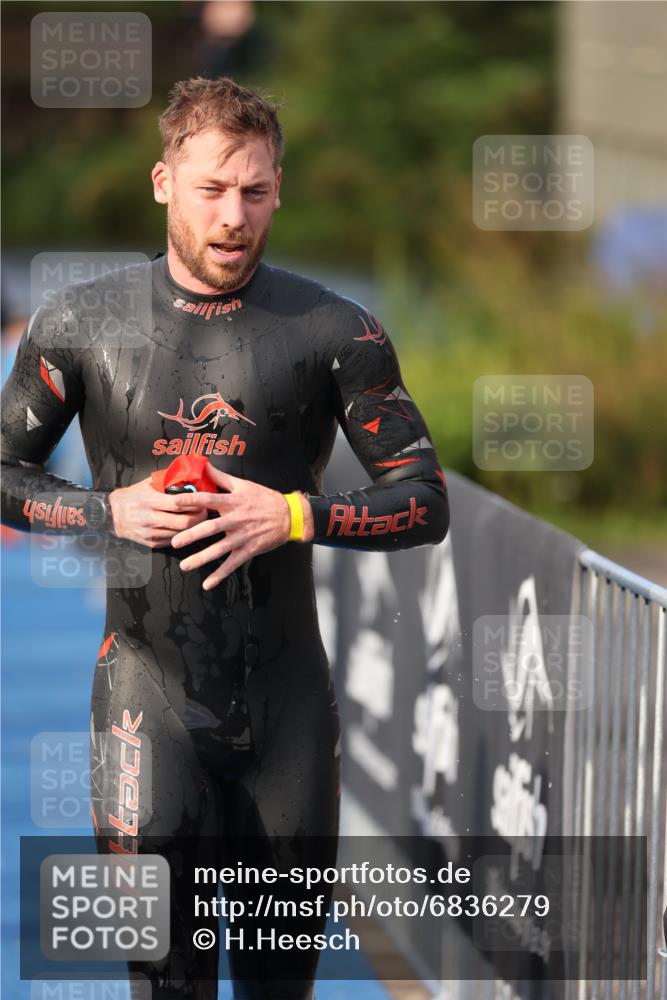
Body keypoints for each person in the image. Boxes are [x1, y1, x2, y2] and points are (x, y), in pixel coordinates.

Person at [0, 77, 449, 999]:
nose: (234, 216)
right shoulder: (83, 325)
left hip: (287, 715)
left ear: (279, 187)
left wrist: (290, 514)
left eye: (253, 190)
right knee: (164, 981)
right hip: (144, 699)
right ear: (164, 181)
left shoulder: (335, 331)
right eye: (212, 189)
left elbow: (424, 499)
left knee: (280, 988)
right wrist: (104, 512)